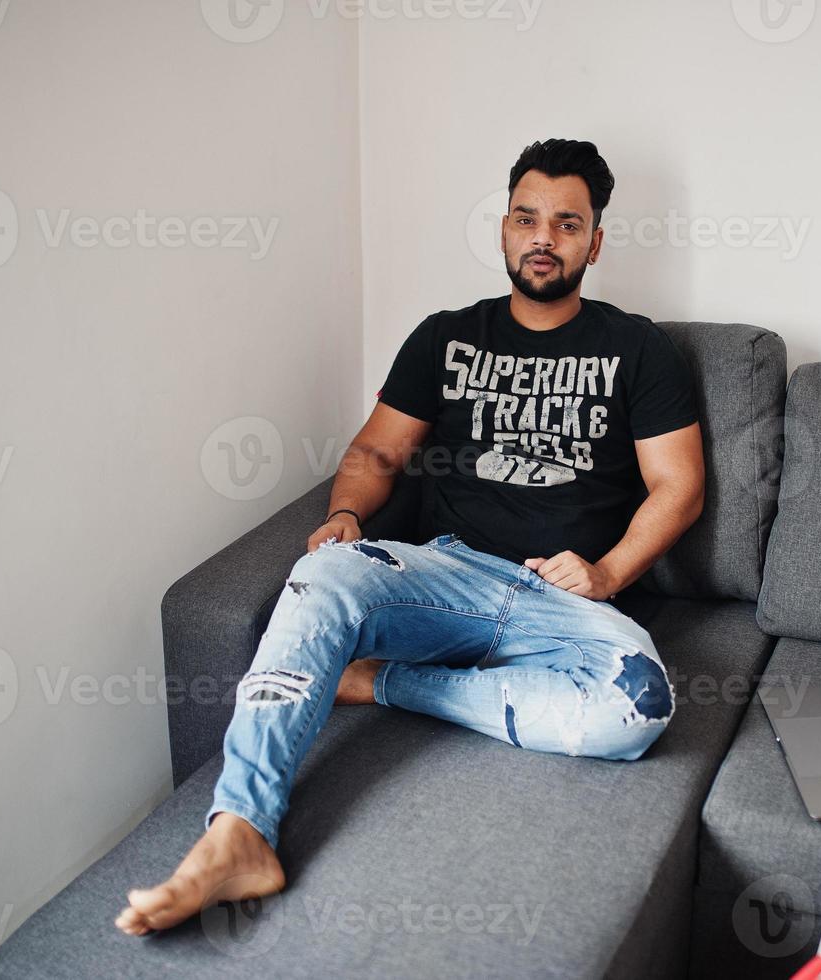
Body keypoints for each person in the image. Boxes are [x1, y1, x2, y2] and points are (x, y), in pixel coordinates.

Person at [116, 138, 705, 935]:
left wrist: (605, 573)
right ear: (501, 229)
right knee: (322, 572)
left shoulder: (637, 348)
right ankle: (240, 832)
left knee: (638, 705)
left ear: (594, 242)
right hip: (444, 578)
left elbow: (679, 487)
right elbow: (373, 452)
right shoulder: (444, 337)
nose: (543, 238)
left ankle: (379, 681)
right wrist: (347, 517)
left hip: (556, 600)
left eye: (567, 225)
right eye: (527, 218)